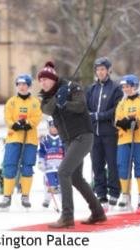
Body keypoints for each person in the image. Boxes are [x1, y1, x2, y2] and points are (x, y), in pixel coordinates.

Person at [38, 61, 106, 228]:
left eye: (46, 79)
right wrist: (57, 99)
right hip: (68, 140)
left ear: (54, 79)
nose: (43, 83)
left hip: (83, 136)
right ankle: (98, 212)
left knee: (63, 172)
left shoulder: (72, 87)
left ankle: (67, 216)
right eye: (41, 80)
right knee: (75, 177)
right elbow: (47, 109)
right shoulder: (45, 97)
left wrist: (65, 102)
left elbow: (81, 106)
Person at [0, 74, 42, 209]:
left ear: (29, 86)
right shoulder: (11, 101)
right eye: (19, 84)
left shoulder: (35, 102)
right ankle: (7, 195)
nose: (22, 87)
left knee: (27, 166)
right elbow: (7, 116)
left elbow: (37, 116)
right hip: (14, 138)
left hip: (30, 139)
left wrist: (29, 123)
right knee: (10, 165)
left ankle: (25, 195)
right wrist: (14, 124)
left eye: (25, 84)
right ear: (17, 86)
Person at [86, 57, 123, 208]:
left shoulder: (115, 88)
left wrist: (98, 116)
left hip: (110, 132)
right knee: (97, 164)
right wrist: (90, 116)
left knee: (113, 164)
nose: (100, 72)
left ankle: (114, 192)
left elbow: (117, 109)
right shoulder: (92, 89)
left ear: (108, 70)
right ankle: (100, 194)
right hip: (95, 133)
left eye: (103, 69)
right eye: (98, 69)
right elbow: (87, 108)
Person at [115, 74, 140, 211]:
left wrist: (135, 118)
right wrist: (124, 122)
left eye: (128, 86)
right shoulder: (121, 103)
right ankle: (125, 195)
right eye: (124, 87)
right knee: (123, 167)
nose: (126, 89)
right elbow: (117, 120)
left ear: (134, 86)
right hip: (124, 139)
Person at [38, 118, 64, 208]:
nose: (54, 129)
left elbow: (66, 151)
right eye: (52, 127)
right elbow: (41, 152)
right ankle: (47, 199)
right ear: (48, 127)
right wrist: (41, 162)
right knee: (49, 183)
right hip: (49, 167)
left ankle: (64, 202)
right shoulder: (44, 139)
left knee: (61, 185)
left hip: (60, 166)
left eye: (56, 127)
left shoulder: (63, 138)